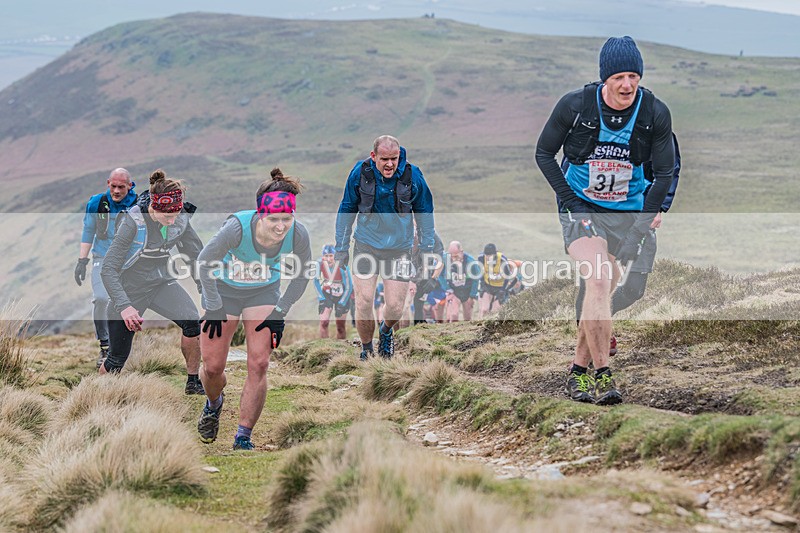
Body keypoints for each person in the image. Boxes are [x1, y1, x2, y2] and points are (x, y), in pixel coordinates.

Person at [535, 36, 675, 405]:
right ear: (604, 80)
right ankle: (603, 375)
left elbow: (664, 174)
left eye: (633, 76)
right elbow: (544, 153)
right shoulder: (576, 106)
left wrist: (641, 227)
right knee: (597, 280)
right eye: (618, 78)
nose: (627, 85)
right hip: (582, 206)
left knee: (613, 289)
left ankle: (576, 373)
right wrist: (571, 203)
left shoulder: (654, 113)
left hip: (629, 212)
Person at [195, 168, 312, 450]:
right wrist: (212, 306)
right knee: (212, 368)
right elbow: (203, 262)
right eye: (274, 219)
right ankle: (214, 403)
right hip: (223, 292)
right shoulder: (236, 228)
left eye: (286, 218)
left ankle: (243, 436)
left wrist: (280, 311)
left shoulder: (298, 234)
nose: (281, 226)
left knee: (259, 363)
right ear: (260, 214)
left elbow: (303, 275)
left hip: (262, 292)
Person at [573, 133, 682, 354]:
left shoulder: (659, 131)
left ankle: (602, 318)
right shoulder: (595, 126)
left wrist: (659, 207)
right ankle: (593, 338)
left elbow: (669, 171)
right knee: (595, 282)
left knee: (635, 289)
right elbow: (570, 169)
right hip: (599, 216)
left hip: (639, 214)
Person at [100, 169, 204, 395]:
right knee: (116, 359)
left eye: (176, 213)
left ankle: (193, 382)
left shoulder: (179, 219)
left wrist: (204, 287)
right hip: (129, 291)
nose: (172, 220)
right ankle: (95, 394)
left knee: (192, 322)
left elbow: (195, 256)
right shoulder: (132, 222)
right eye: (167, 215)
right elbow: (108, 269)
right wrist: (125, 307)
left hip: (160, 283)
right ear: (152, 209)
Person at [334, 134, 437, 360]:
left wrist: (427, 249)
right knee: (363, 300)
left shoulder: (412, 175)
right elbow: (346, 210)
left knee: (395, 307)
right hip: (366, 246)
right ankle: (367, 348)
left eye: (394, 158)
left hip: (399, 249)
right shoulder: (360, 174)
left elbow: (425, 213)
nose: (390, 164)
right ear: (374, 156)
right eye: (384, 159)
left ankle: (386, 330)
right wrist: (341, 248)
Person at [74, 168, 138, 368]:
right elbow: (88, 230)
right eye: (113, 186)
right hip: (102, 257)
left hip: (130, 260)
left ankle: (120, 347)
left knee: (124, 303)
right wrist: (82, 261)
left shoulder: (139, 205)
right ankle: (105, 345)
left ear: (130, 186)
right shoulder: (97, 203)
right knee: (102, 299)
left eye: (121, 187)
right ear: (108, 183)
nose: (117, 191)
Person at [315, 244, 353, 339]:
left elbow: (349, 287)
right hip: (327, 294)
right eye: (326, 256)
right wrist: (321, 298)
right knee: (324, 322)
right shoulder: (319, 264)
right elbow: (315, 281)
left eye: (331, 256)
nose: (328, 259)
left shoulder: (342, 266)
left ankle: (340, 348)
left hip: (343, 295)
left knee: (340, 327)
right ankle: (323, 348)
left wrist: (342, 303)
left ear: (335, 256)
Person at [445, 241, 479, 322]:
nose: (453, 259)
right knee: (454, 315)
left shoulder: (471, 262)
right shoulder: (446, 259)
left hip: (467, 292)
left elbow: (476, 280)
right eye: (451, 256)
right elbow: (439, 275)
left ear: (461, 252)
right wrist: (448, 289)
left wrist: (472, 296)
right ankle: (451, 333)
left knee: (467, 318)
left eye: (456, 256)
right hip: (454, 291)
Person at [476, 243, 513, 318]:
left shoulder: (502, 260)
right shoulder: (481, 258)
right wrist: (482, 283)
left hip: (500, 288)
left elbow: (507, 276)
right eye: (486, 255)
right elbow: (480, 272)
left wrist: (502, 290)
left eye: (490, 256)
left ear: (495, 255)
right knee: (484, 310)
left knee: (494, 312)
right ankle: (480, 327)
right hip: (487, 286)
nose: (487, 257)